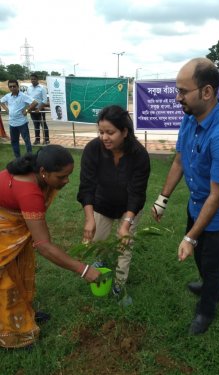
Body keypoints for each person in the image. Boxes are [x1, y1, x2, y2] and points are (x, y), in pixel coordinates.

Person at [152, 58, 219, 335]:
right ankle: (210, 286)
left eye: (183, 91)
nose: (177, 97)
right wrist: (163, 199)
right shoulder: (189, 119)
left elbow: (218, 196)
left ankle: (208, 305)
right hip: (197, 204)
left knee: (211, 261)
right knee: (200, 258)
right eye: (177, 90)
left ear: (207, 92)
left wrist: (190, 237)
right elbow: (179, 162)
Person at [0, 145, 100, 349]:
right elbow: (44, 246)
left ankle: (25, 312)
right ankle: (14, 334)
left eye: (69, 175)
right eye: (62, 177)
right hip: (4, 231)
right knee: (6, 279)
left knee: (19, 268)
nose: (67, 181)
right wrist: (84, 270)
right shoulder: (29, 193)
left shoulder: (38, 176)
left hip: (12, 224)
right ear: (43, 172)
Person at [77, 105, 150, 296]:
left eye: (110, 132)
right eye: (101, 132)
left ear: (124, 132)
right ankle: (100, 260)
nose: (104, 137)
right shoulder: (93, 149)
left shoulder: (139, 155)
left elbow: (137, 193)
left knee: (124, 245)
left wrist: (126, 224)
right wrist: (89, 218)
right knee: (97, 240)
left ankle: (119, 284)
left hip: (129, 208)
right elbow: (87, 186)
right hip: (102, 204)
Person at [0, 79, 38, 158]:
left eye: (14, 86)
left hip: (22, 123)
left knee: (27, 141)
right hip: (12, 123)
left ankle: (30, 158)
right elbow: (1, 101)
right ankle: (17, 159)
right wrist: (7, 110)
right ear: (9, 87)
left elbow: (35, 102)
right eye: (10, 86)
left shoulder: (23, 96)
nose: (12, 88)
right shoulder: (7, 96)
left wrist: (27, 110)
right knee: (14, 142)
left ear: (18, 86)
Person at [27, 73, 50, 145]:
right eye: (31, 79)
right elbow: (27, 99)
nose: (33, 80)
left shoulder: (42, 88)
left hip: (40, 110)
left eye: (34, 79)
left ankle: (46, 140)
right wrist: (29, 108)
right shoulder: (29, 88)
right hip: (32, 110)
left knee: (43, 124)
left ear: (37, 80)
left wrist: (39, 108)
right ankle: (37, 140)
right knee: (35, 125)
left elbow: (44, 100)